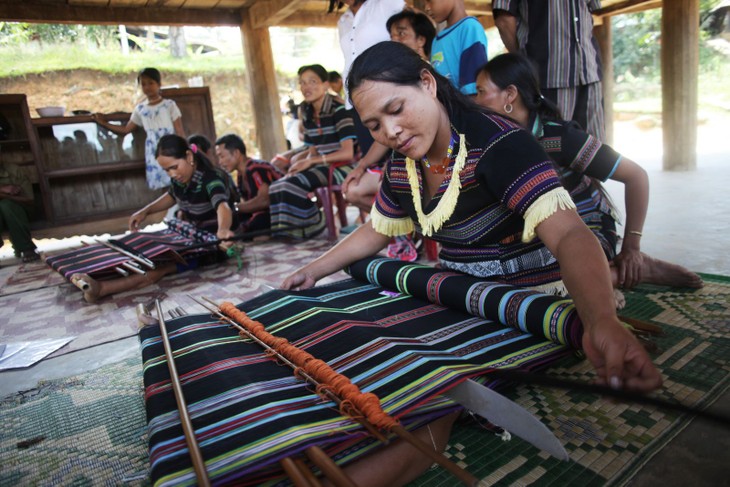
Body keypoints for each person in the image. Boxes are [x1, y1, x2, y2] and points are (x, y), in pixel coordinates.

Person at [474, 53, 702, 291]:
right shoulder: (500, 141)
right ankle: (605, 277)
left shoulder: (559, 139)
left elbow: (636, 176)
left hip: (587, 230)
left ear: (510, 95)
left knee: (538, 279)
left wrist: (632, 248)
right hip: (547, 234)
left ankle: (625, 272)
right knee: (500, 268)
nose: (475, 101)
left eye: (481, 91)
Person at [69, 134, 239, 303]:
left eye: (174, 167)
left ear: (188, 156)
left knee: (162, 266)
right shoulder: (181, 179)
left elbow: (222, 205)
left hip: (211, 243)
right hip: (190, 234)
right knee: (142, 246)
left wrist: (223, 230)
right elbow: (171, 196)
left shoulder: (211, 178)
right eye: (167, 170)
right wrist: (145, 211)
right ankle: (95, 270)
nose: (172, 174)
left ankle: (101, 288)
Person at [492, 0, 606, 141]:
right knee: (553, 147)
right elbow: (504, 19)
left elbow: (591, 10)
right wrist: (526, 65)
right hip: (548, 75)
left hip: (589, 72)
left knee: (595, 148)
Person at [268, 64, 356, 239]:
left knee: (290, 185)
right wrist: (301, 163)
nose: (307, 87)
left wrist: (311, 161)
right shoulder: (307, 112)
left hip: (341, 168)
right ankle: (288, 232)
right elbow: (312, 151)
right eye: (302, 83)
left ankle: (316, 223)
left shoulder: (339, 110)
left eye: (313, 82)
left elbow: (348, 153)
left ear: (325, 85)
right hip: (321, 166)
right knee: (277, 185)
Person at [93, 67, 185, 189]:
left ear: (159, 84)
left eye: (151, 83)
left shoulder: (169, 105)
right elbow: (126, 130)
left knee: (179, 180)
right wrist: (103, 123)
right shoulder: (140, 109)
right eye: (143, 84)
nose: (147, 87)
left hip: (171, 146)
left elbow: (180, 131)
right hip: (154, 150)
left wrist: (185, 151)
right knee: (164, 186)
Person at [215, 133, 282, 235]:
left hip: (279, 212)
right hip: (266, 213)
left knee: (259, 221)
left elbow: (264, 201)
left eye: (222, 156)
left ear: (236, 153)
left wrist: (234, 208)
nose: (220, 162)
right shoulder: (241, 174)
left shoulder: (255, 168)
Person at [426, 0, 488, 96]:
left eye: (430, 1)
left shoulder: (469, 27)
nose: (427, 8)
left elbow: (473, 88)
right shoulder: (436, 41)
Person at [0, 158, 38, 262]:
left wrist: (6, 197)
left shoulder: (14, 170)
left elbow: (29, 200)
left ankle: (26, 248)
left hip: (19, 211)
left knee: (6, 205)